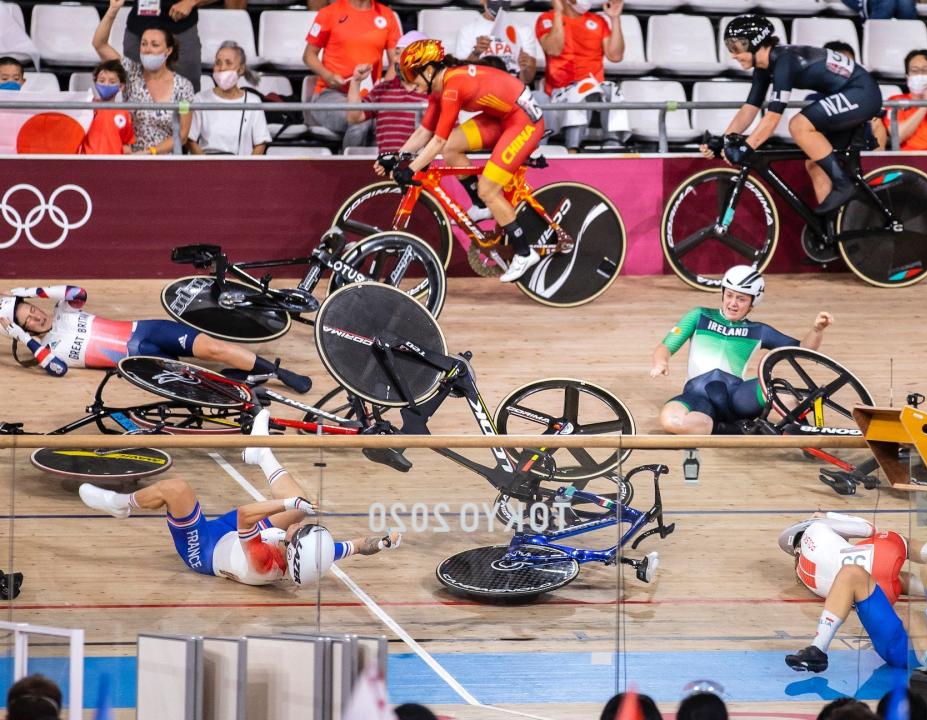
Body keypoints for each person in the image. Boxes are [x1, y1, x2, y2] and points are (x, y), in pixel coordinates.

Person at [78, 409, 401, 587]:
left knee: (175, 488)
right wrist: (385, 542)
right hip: (235, 535)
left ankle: (120, 505)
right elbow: (357, 546)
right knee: (304, 500)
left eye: (298, 534)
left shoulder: (262, 562)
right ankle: (261, 453)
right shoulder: (311, 557)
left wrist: (290, 506)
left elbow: (246, 514)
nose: (299, 529)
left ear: (291, 550)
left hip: (205, 549)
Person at [383, 39, 546, 283]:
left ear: (428, 71)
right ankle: (480, 205)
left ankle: (524, 252)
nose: (408, 86)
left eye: (410, 77)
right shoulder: (437, 88)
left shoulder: (452, 85)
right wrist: (397, 157)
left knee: (489, 189)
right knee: (452, 148)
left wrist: (412, 168)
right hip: (502, 117)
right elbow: (424, 133)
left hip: (523, 121)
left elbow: (436, 141)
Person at [706, 15, 883, 215]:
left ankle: (843, 184)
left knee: (798, 124)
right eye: (730, 48)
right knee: (816, 165)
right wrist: (724, 140)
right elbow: (749, 109)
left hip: (862, 93)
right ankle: (833, 233)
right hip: (851, 93)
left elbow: (773, 118)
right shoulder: (764, 68)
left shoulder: (784, 61)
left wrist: (746, 148)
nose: (733, 55)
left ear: (755, 43)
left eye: (737, 48)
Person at [0, 286, 312, 393]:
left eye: (31, 308)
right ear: (22, 330)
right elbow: (58, 369)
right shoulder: (46, 350)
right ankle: (249, 386)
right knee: (205, 382)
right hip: (140, 362)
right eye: (27, 319)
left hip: (146, 330)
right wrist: (21, 336)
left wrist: (29, 290)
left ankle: (276, 372)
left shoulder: (62, 310)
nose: (36, 315)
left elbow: (77, 292)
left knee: (213, 349)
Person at [649, 266, 833, 435]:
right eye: (729, 295)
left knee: (789, 401)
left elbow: (802, 350)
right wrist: (661, 361)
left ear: (752, 303)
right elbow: (666, 345)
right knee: (671, 420)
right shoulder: (699, 316)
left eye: (741, 299)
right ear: (722, 294)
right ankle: (735, 430)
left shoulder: (759, 330)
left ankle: (809, 439)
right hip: (698, 396)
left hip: (736, 396)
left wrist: (817, 330)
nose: (733, 303)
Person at [779, 511, 927, 672]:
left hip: (912, 652)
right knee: (851, 573)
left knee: (913, 616)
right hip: (894, 640)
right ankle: (817, 651)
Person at [93, 0, 194, 155]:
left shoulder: (184, 86)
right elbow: (99, 44)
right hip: (128, 158)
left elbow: (182, 135)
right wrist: (112, 10)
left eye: (155, 45)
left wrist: (150, 152)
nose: (147, 49)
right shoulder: (129, 71)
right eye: (144, 44)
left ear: (168, 50)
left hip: (164, 162)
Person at [302, 0, 402, 150]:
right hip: (330, 95)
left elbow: (397, 61)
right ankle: (351, 172)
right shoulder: (329, 13)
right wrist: (329, 76)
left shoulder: (387, 15)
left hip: (369, 98)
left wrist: (383, 91)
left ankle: (380, 170)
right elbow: (308, 56)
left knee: (387, 122)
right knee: (359, 119)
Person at [536, 0, 627, 151]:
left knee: (613, 91)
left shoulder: (598, 20)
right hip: (560, 91)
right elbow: (553, 49)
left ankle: (613, 146)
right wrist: (558, 12)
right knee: (581, 89)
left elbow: (616, 56)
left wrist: (615, 18)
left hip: (595, 90)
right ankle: (573, 148)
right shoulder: (546, 19)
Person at [802, 42, 887, 202]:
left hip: (863, 149)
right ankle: (831, 222)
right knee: (814, 165)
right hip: (833, 152)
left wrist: (878, 152)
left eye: (850, 64)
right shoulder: (814, 99)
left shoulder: (865, 94)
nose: (845, 70)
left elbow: (877, 124)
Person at [345, 31, 428, 154]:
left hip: (422, 168)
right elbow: (354, 117)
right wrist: (356, 81)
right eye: (396, 54)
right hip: (387, 167)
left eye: (402, 54)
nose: (395, 59)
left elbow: (447, 138)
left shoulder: (435, 92)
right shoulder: (382, 90)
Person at [188, 41, 270, 156]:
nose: (222, 68)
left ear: (241, 69)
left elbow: (260, 142)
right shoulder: (200, 99)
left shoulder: (253, 101)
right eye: (218, 63)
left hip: (241, 169)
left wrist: (247, 168)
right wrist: (206, 165)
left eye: (228, 63)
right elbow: (190, 140)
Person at [122, 0, 215, 92]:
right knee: (134, 88)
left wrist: (191, 2)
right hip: (138, 30)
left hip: (181, 29)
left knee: (187, 92)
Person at [456, 0, 538, 88]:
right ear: (482, 1)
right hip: (479, 90)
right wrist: (476, 53)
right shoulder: (467, 31)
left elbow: (527, 79)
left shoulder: (524, 30)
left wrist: (525, 67)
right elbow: (461, 74)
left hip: (513, 90)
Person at [82, 59, 136, 155]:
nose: (106, 84)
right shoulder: (86, 108)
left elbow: (126, 144)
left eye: (112, 82)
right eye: (101, 81)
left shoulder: (124, 113)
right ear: (95, 83)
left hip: (114, 165)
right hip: (89, 164)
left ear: (121, 87)